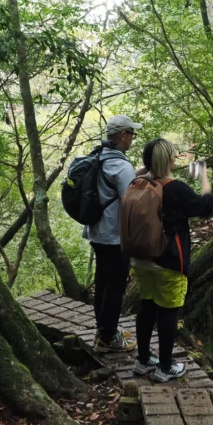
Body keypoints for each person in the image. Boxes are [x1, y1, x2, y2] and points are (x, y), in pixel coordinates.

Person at [131, 138, 213, 382]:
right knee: (168, 312)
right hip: (168, 261)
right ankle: (165, 367)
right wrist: (204, 177)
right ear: (169, 160)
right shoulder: (176, 188)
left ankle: (143, 360)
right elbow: (206, 207)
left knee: (146, 307)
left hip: (140, 258)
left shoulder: (137, 183)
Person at [84, 114, 142, 353]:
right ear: (122, 135)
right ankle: (107, 339)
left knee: (103, 283)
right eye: (132, 134)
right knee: (115, 288)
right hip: (114, 236)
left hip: (96, 232)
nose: (133, 138)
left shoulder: (99, 157)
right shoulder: (121, 165)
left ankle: (103, 331)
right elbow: (132, 201)